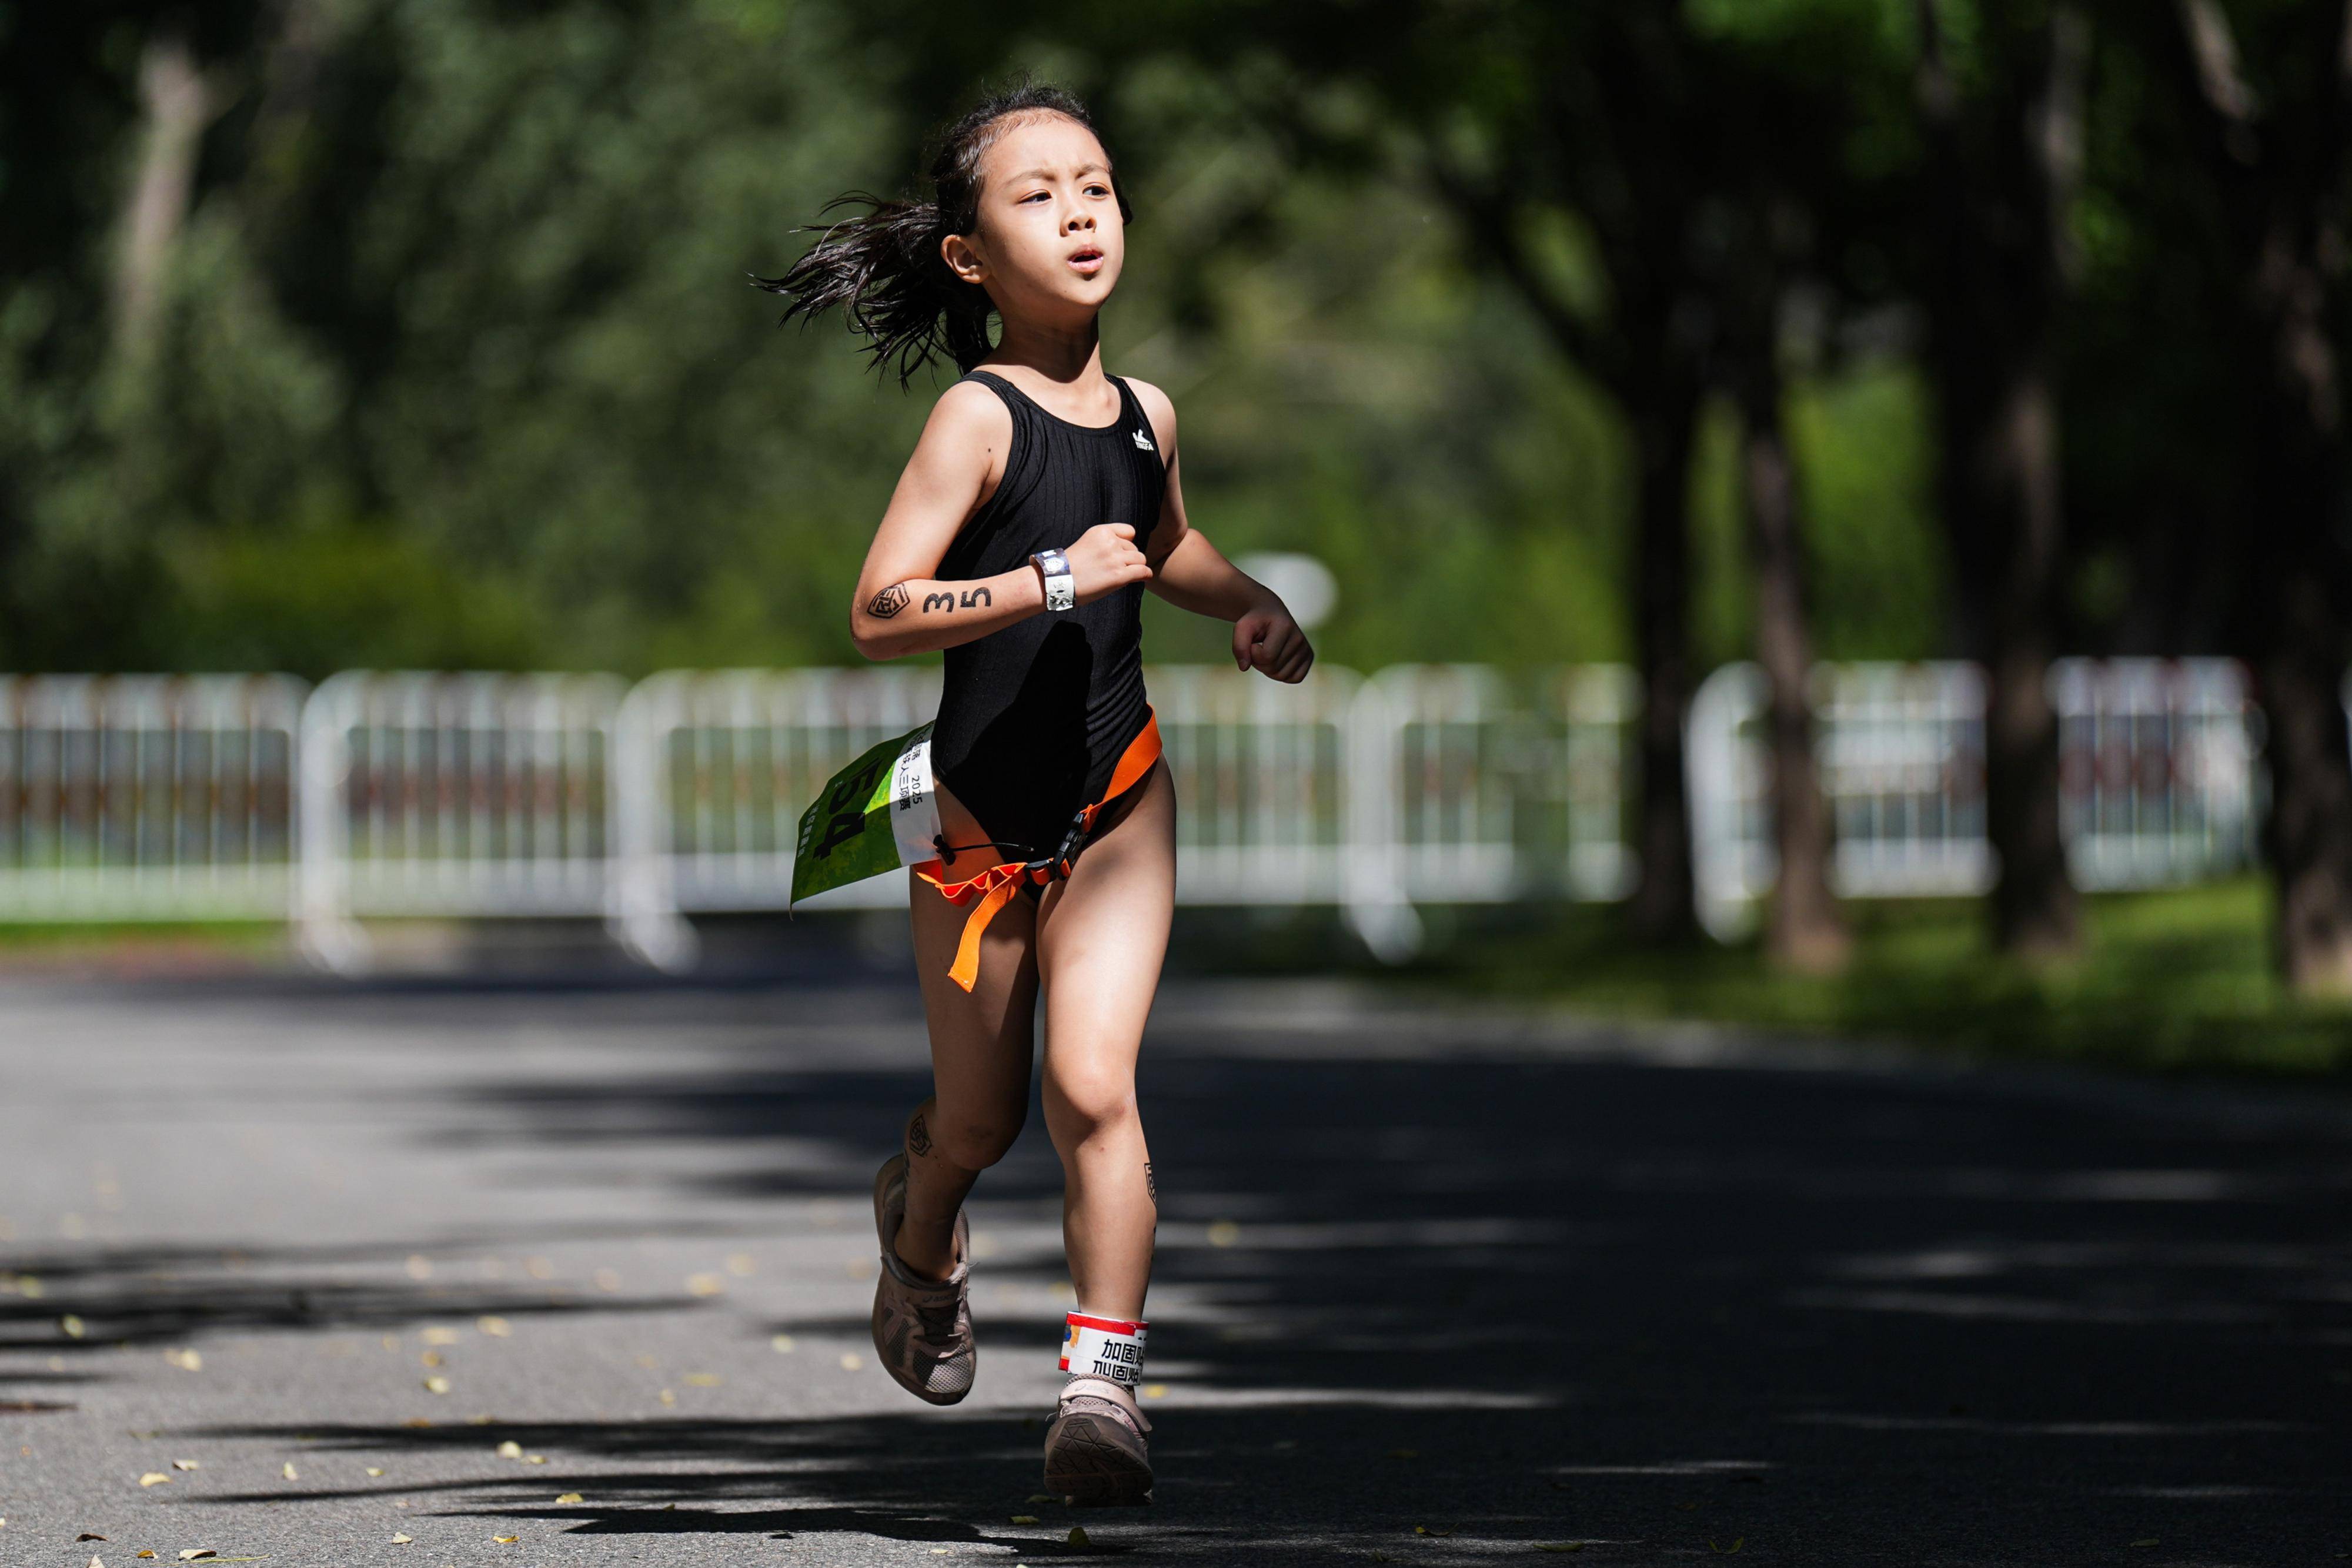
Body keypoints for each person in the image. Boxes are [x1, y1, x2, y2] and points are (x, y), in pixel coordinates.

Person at [753, 80, 1313, 1505]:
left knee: (1093, 1086)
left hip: (1119, 800)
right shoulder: (976, 421)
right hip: (976, 828)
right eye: (1037, 194)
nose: (1079, 213)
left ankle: (1101, 1388)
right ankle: (918, 1226)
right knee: (975, 1123)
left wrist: (1242, 600)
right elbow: (881, 606)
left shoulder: (1147, 411)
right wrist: (1043, 580)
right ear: (967, 256)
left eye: (1098, 186)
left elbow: (1167, 544)